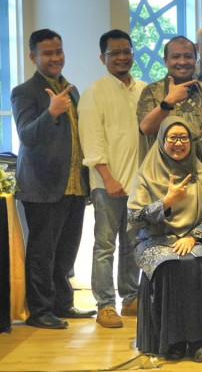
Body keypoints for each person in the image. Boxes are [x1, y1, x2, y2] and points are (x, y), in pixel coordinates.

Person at [127, 116, 202, 362]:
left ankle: (197, 341)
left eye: (183, 138)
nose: (178, 143)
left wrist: (194, 237)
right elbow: (134, 218)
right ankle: (172, 341)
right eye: (172, 138)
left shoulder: (200, 173)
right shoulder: (146, 174)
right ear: (162, 141)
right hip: (155, 239)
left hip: (192, 240)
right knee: (170, 264)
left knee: (196, 264)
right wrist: (166, 202)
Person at [11, 28, 95, 329]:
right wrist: (51, 112)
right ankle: (40, 311)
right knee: (42, 252)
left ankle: (62, 303)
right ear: (33, 57)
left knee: (66, 251)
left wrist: (86, 180)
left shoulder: (70, 89)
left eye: (58, 51)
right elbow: (27, 135)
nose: (55, 57)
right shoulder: (24, 91)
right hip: (43, 186)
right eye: (47, 53)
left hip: (73, 184)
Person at [77, 29, 146, 328]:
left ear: (133, 53)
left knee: (133, 245)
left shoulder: (144, 89)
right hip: (108, 184)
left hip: (139, 185)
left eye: (126, 51)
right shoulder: (95, 91)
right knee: (105, 245)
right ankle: (105, 304)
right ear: (102, 58)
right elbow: (91, 140)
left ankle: (130, 298)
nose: (121, 57)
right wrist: (107, 177)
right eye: (114, 53)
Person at [137, 36, 202, 184]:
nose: (182, 62)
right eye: (175, 57)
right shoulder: (152, 91)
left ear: (195, 59)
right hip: (161, 182)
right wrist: (168, 102)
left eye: (188, 56)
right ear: (165, 60)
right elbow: (145, 128)